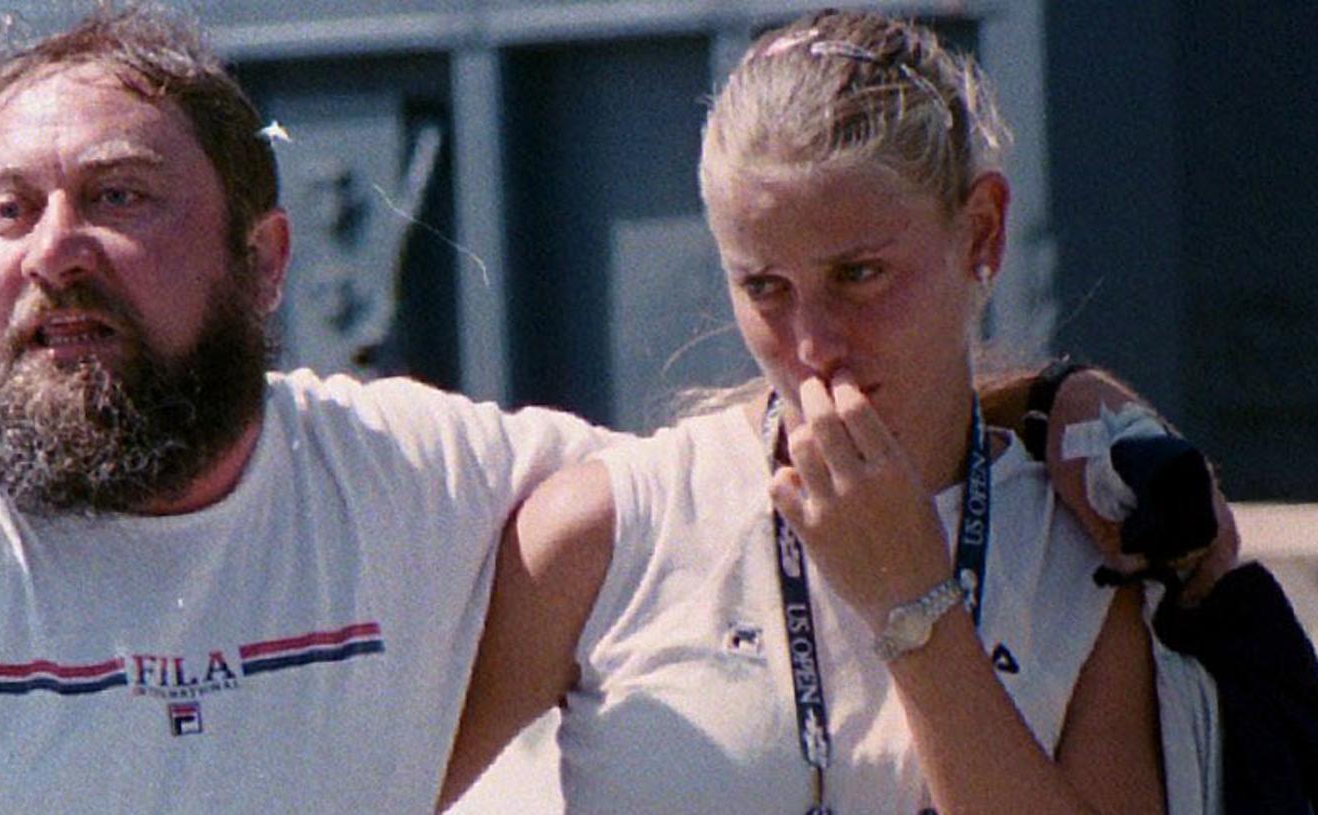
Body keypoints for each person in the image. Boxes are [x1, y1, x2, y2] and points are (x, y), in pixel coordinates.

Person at [0, 2, 1195, 812]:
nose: (53, 251)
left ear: (263, 257)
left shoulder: (425, 480)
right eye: (7, 210)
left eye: (121, 200)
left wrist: (984, 465)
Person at [442, 10, 1218, 814]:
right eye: (764, 287)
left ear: (980, 232)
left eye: (859, 274)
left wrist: (913, 602)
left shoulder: (1080, 548)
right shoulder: (609, 531)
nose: (813, 345)